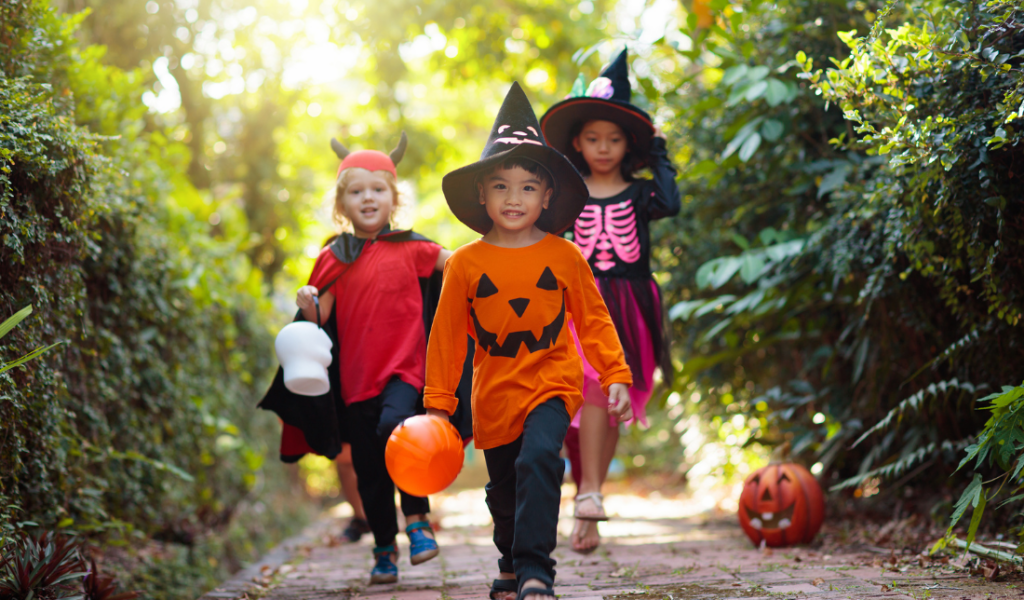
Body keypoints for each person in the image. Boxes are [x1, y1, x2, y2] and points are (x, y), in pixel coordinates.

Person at [423, 82, 634, 600]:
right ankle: (511, 563)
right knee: (503, 490)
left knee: (540, 459)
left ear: (546, 196)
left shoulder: (563, 257)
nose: (513, 198)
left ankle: (536, 570)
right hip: (492, 395)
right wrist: (437, 405)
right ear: (481, 194)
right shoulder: (466, 264)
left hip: (551, 383)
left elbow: (594, 319)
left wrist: (615, 374)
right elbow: (446, 336)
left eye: (526, 187)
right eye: (500, 186)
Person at [259, 134, 465, 584]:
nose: (367, 198)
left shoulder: (414, 249)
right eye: (356, 191)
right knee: (369, 470)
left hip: (407, 372)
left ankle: (417, 519)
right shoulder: (334, 257)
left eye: (377, 189)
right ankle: (385, 549)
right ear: (342, 204)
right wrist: (308, 298)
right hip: (355, 382)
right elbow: (318, 318)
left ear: (394, 198)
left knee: (401, 432)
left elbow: (460, 266)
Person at [539, 48, 681, 554]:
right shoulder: (567, 193)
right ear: (578, 142)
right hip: (577, 303)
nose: (603, 147)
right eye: (594, 138)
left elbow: (672, 201)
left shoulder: (642, 195)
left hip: (630, 302)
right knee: (588, 393)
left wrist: (659, 149)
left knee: (614, 401)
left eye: (615, 139)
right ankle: (590, 493)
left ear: (629, 145)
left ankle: (588, 504)